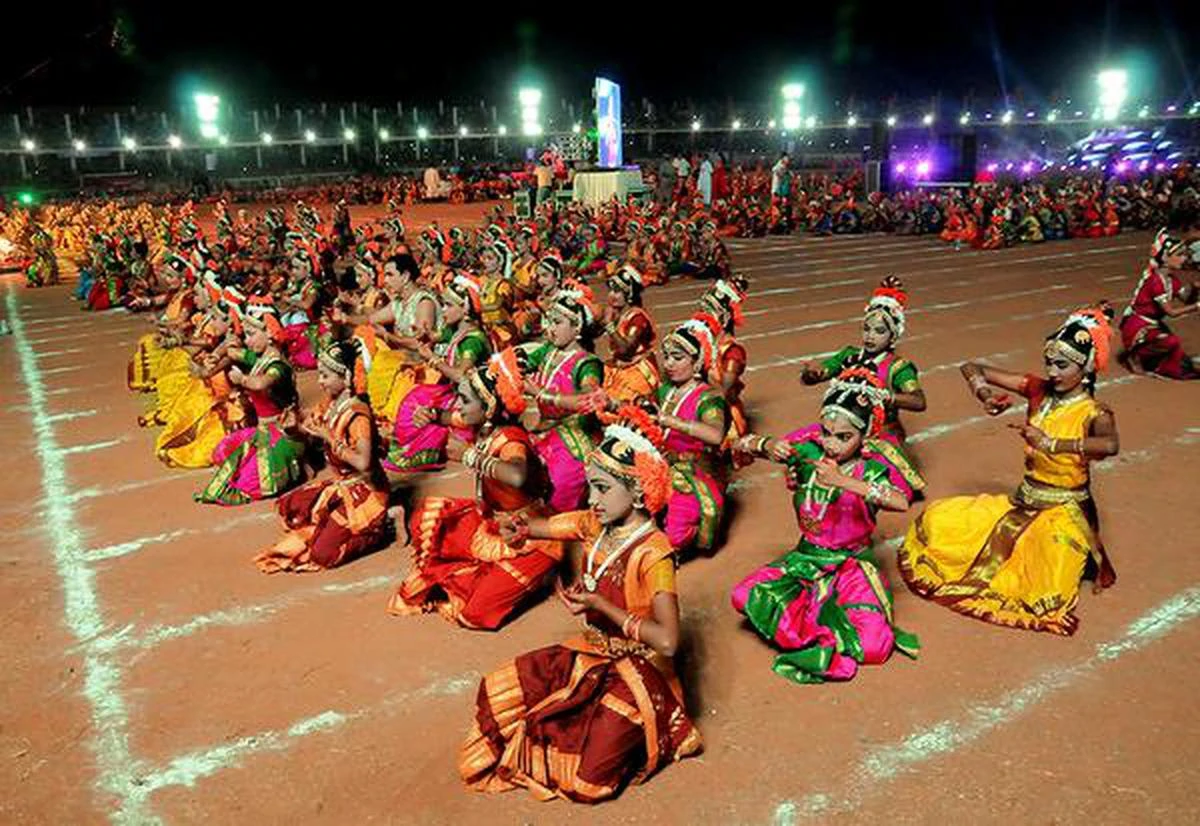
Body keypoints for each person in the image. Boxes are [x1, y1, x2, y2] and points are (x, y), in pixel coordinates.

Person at [459, 408, 702, 803]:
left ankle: (646, 729)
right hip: (592, 653)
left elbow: (669, 642)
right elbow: (541, 528)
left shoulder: (654, 554)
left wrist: (599, 606)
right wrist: (517, 531)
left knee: (589, 779)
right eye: (591, 487)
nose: (593, 499)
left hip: (641, 671)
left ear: (639, 491)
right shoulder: (594, 522)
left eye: (603, 489)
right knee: (498, 689)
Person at [898, 307, 1120, 635]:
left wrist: (1051, 444)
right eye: (1050, 363)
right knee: (938, 521)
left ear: (1085, 368)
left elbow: (1110, 445)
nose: (1053, 372)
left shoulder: (1095, 412)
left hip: (1064, 511)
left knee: (1046, 593)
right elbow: (971, 367)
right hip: (1023, 503)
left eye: (1062, 365)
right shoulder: (1037, 389)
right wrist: (984, 393)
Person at [731, 368, 922, 683]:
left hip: (852, 566)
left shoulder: (869, 469)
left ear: (865, 436)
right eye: (826, 432)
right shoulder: (809, 452)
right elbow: (740, 445)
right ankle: (817, 629)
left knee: (874, 647)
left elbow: (900, 501)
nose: (831, 444)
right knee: (743, 595)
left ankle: (814, 624)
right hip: (806, 559)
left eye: (844, 437)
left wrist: (844, 481)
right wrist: (765, 444)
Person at [389, 352, 563, 629]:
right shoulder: (485, 425)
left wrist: (469, 456)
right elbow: (451, 417)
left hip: (528, 538)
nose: (459, 406)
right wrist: (432, 414)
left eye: (466, 400)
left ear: (490, 407)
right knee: (427, 516)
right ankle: (485, 574)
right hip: (492, 526)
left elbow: (517, 475)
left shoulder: (511, 440)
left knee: (476, 614)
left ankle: (539, 577)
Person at [255, 341, 391, 573]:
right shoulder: (331, 404)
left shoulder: (358, 415)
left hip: (366, 491)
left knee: (322, 555)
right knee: (292, 509)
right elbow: (310, 432)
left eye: (326, 376)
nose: (320, 381)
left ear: (346, 376)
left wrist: (329, 438)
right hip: (344, 486)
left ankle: (383, 528)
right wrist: (293, 428)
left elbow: (363, 463)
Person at [195, 299, 306, 505]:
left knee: (248, 485)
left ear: (271, 334)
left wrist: (243, 380)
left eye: (251, 334)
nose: (247, 341)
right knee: (221, 453)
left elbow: (261, 382)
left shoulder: (278, 366)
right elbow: (230, 351)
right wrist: (214, 357)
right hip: (262, 432)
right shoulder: (259, 358)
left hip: (281, 434)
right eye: (246, 334)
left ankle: (295, 465)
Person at [800, 277, 927, 448]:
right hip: (844, 430)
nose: (870, 336)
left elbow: (919, 402)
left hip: (881, 434)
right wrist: (811, 375)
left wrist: (884, 396)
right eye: (866, 329)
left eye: (879, 331)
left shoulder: (898, 367)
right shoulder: (849, 355)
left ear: (893, 336)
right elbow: (820, 373)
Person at [524, 290, 607, 512]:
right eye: (549, 321)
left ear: (577, 327)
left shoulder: (587, 364)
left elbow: (589, 399)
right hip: (544, 431)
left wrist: (544, 395)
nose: (550, 329)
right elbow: (523, 361)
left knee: (557, 489)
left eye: (558, 322)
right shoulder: (549, 351)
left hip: (575, 437)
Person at [656, 317, 729, 554]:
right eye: (666, 357)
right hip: (659, 462)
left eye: (678, 358)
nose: (668, 364)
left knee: (674, 539)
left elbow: (716, 435)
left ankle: (697, 529)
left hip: (694, 472)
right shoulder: (666, 390)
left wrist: (671, 421)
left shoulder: (709, 399)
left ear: (697, 362)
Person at [1117, 207, 1200, 379]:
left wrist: (1194, 287)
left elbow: (1185, 298)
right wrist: (1197, 306)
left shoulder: (1171, 279)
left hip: (1150, 324)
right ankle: (1135, 356)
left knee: (1176, 351)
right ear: (1165, 258)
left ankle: (1161, 365)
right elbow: (1171, 311)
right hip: (1137, 325)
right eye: (1179, 255)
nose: (1184, 258)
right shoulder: (1156, 281)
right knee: (1171, 342)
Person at [601, 265, 660, 406]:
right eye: (611, 291)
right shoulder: (619, 314)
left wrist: (609, 326)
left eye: (617, 292)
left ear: (629, 295)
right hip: (619, 369)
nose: (611, 296)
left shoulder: (638, 318)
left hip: (637, 372)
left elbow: (625, 349)